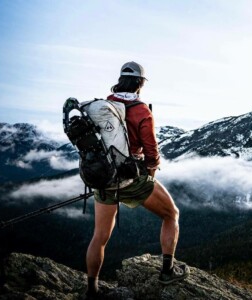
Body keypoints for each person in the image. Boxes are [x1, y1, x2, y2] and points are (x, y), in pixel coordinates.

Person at [85, 61, 190, 297]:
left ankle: (91, 289)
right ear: (141, 83)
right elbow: (151, 150)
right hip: (131, 178)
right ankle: (167, 271)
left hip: (104, 177)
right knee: (171, 214)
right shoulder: (141, 111)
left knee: (99, 237)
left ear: (120, 79)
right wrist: (151, 170)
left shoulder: (106, 105)